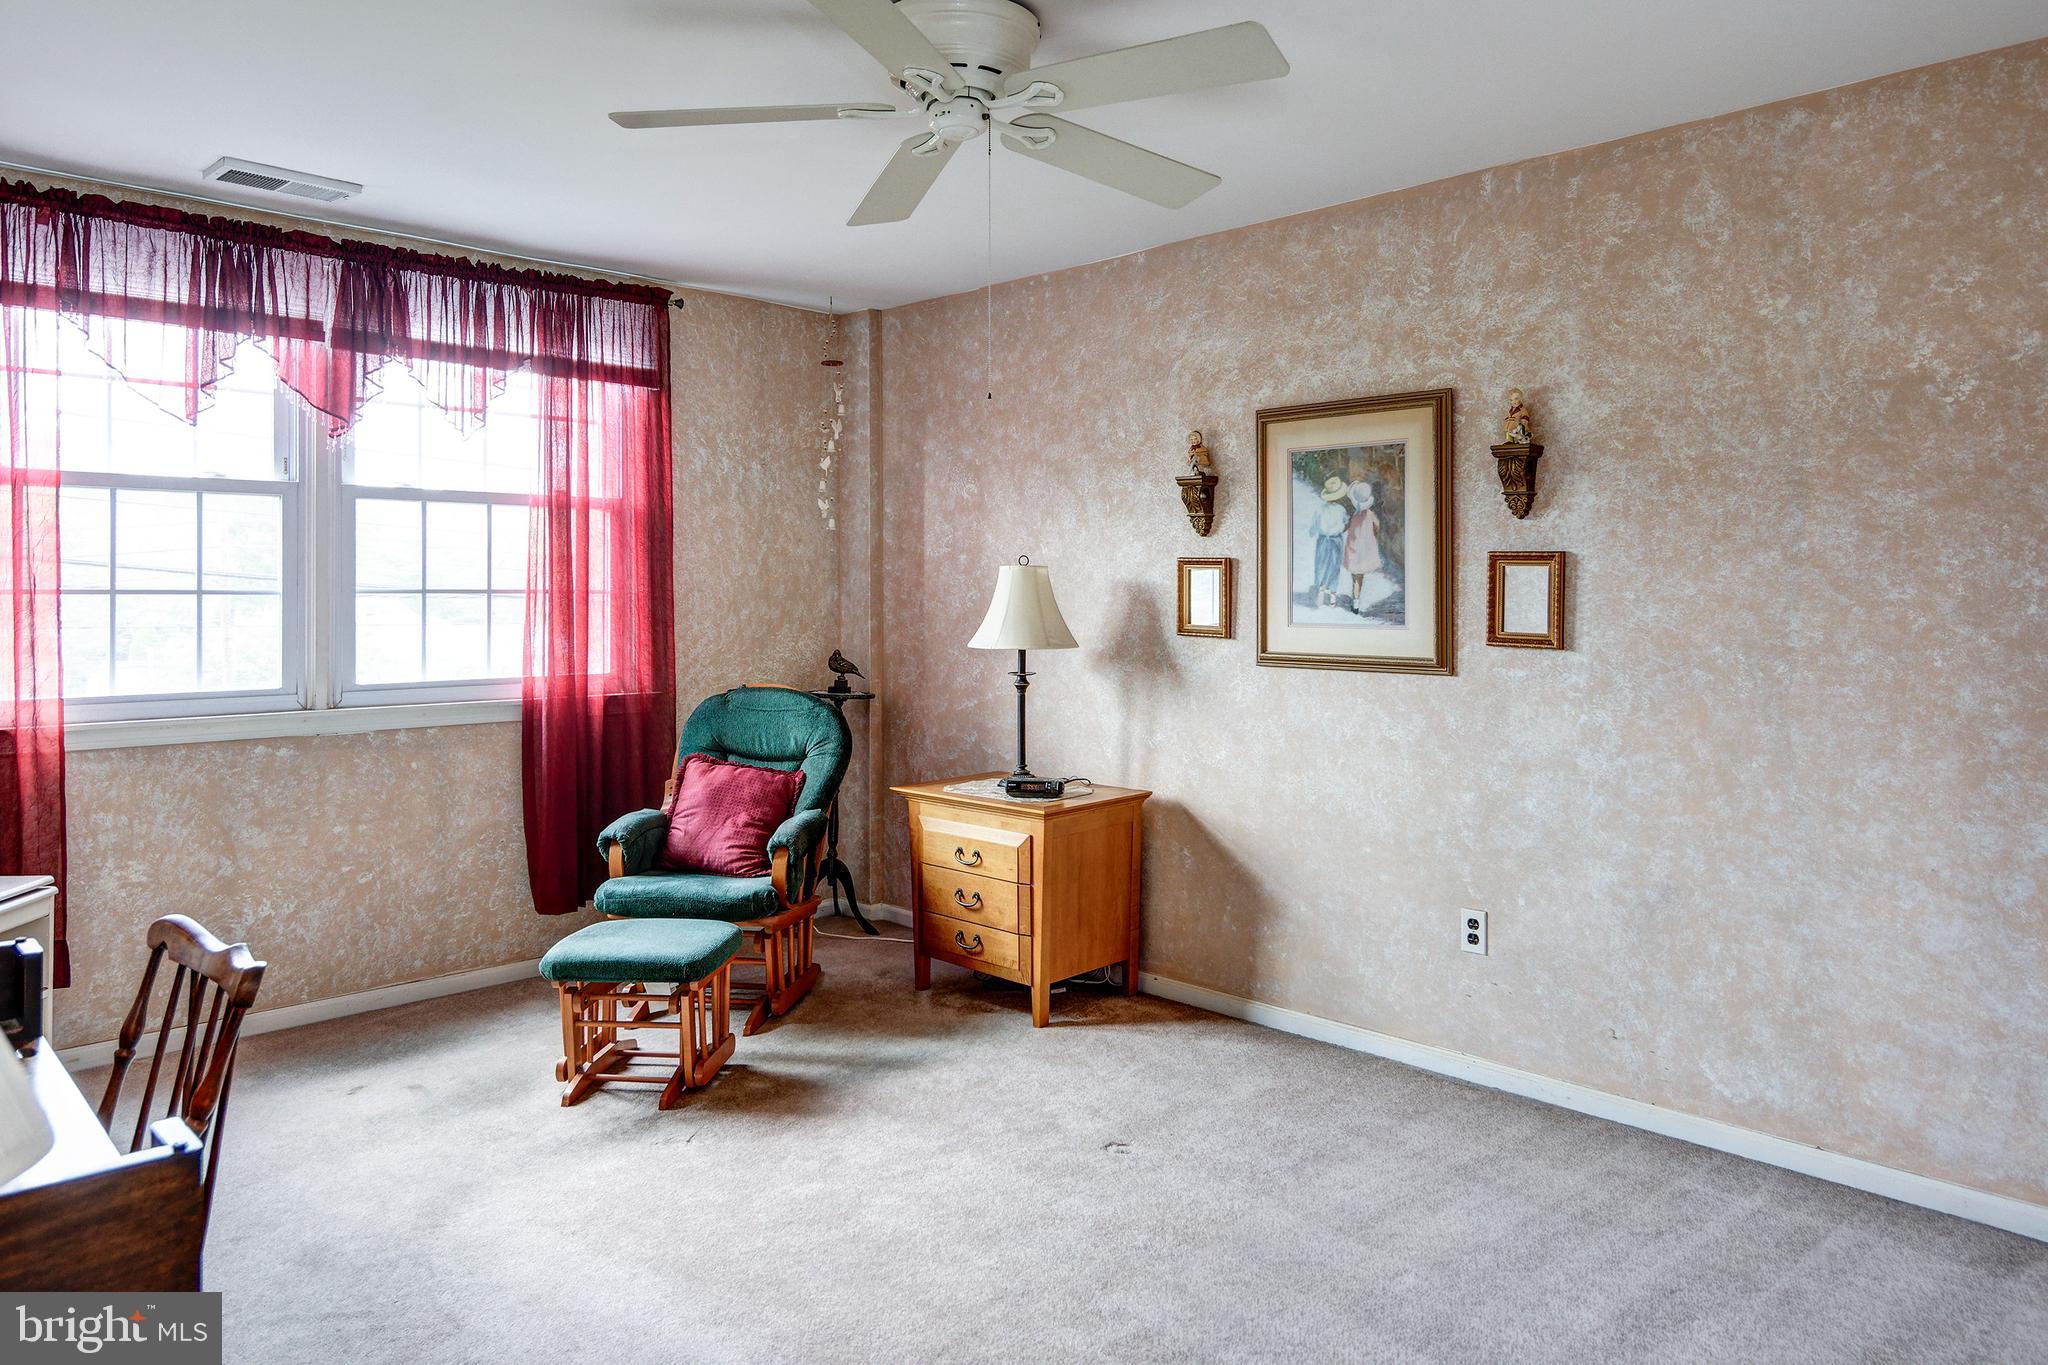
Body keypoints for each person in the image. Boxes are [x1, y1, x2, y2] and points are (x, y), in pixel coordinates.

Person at [1313, 475, 1351, 606]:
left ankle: (1320, 590)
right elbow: (1346, 524)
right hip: (1336, 540)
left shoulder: (1320, 510)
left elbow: (1314, 528)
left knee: (1321, 565)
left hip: (1323, 540)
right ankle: (1333, 597)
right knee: (1334, 567)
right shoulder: (1341, 510)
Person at [1344, 479, 1382, 606]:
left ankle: (1355, 597)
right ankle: (1356, 599)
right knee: (1360, 575)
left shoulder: (1353, 515)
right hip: (1365, 548)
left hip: (1354, 547)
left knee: (1354, 574)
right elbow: (1377, 525)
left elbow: (1346, 527)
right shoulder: (1370, 514)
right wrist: (1374, 535)